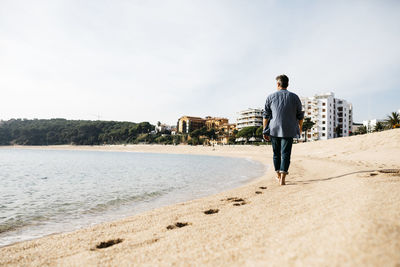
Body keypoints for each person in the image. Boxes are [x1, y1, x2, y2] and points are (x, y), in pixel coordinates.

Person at [263, 75, 304, 185]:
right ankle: (283, 179)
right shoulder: (295, 97)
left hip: (274, 129)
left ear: (278, 84)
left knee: (276, 153)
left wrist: (264, 130)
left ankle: (277, 174)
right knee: (286, 153)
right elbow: (300, 115)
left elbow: (266, 116)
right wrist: (300, 129)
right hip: (289, 129)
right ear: (287, 84)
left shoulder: (270, 97)